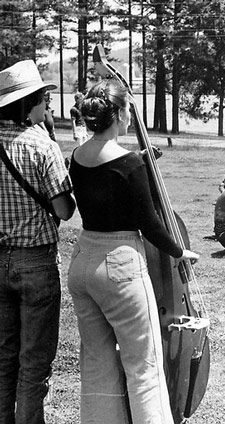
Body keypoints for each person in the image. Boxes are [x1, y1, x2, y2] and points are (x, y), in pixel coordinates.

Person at [66, 79, 200, 423]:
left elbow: (104, 178)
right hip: (119, 262)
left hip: (83, 259)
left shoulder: (78, 158)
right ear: (121, 114)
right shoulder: (129, 164)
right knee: (144, 364)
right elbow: (150, 223)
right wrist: (178, 252)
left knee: (96, 363)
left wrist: (138, 160)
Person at [0, 59, 75, 424]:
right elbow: (64, 210)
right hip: (36, 261)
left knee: (4, 358)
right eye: (44, 98)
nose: (48, 105)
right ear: (30, 101)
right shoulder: (40, 144)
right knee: (33, 364)